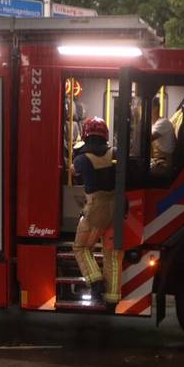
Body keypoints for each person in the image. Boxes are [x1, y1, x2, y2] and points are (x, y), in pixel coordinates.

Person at [72, 116, 121, 307]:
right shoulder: (114, 152)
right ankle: (112, 298)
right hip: (116, 208)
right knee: (112, 254)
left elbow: (73, 172)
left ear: (85, 134)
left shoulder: (82, 158)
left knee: (81, 247)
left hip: (96, 209)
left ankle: (95, 281)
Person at [149, 101, 176, 179]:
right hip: (158, 160)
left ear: (155, 108)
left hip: (164, 163)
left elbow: (147, 139)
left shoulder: (163, 123)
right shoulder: (153, 124)